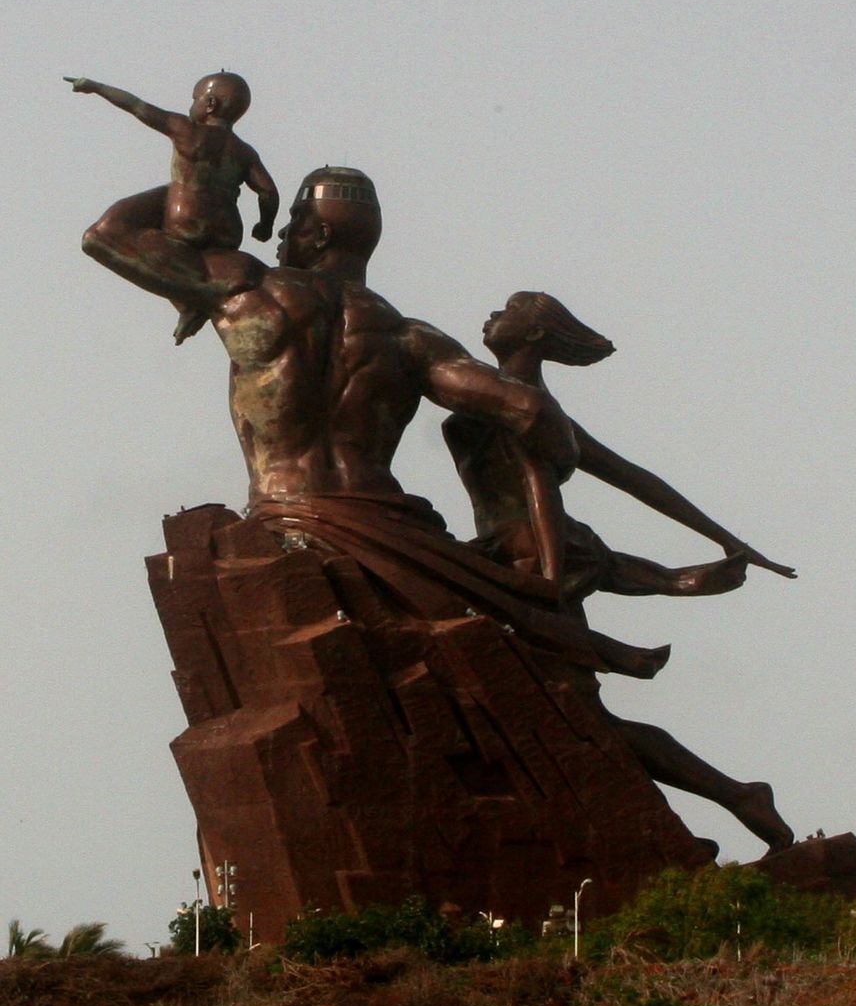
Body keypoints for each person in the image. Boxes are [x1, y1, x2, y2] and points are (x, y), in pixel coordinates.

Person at [79, 166, 667, 678]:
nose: (281, 236)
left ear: (321, 233)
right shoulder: (411, 338)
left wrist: (200, 182)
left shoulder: (249, 288)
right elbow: (530, 410)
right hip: (392, 531)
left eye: (292, 224)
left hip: (290, 512)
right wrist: (546, 472)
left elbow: (108, 237)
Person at [442, 290, 794, 853]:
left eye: (506, 308)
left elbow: (540, 489)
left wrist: (549, 585)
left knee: (571, 714)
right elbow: (637, 479)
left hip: (529, 562)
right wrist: (725, 540)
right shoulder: (510, 398)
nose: (490, 314)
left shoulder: (522, 404)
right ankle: (733, 798)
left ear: (531, 334)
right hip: (512, 556)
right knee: (577, 715)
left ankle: (716, 808)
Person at [66, 72, 279, 344]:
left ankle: (189, 302)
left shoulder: (186, 129)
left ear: (210, 104)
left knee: (143, 239)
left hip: (186, 224)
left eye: (195, 99)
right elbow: (268, 192)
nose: (192, 105)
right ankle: (188, 303)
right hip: (227, 234)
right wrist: (265, 225)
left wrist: (97, 87)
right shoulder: (244, 151)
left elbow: (137, 106)